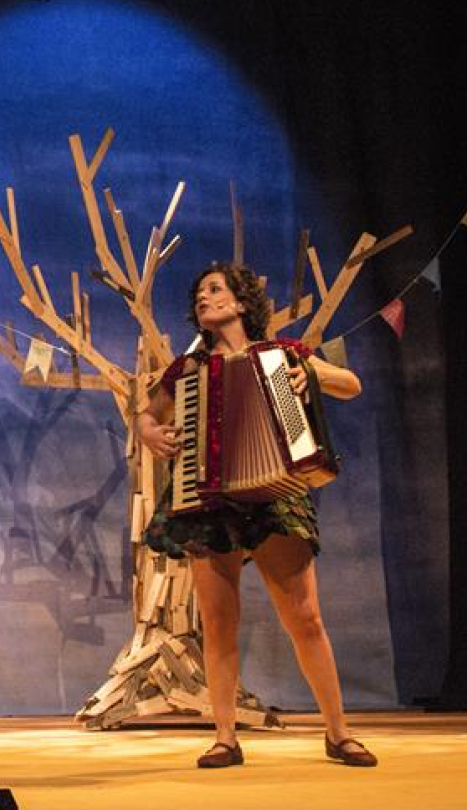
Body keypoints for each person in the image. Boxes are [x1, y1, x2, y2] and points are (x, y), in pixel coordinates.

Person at [136, 262, 377, 769]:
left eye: (214, 289)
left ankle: (338, 733)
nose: (204, 298)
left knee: (305, 617)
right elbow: (149, 413)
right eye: (199, 294)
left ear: (242, 302)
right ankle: (225, 737)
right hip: (210, 497)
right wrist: (150, 432)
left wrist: (314, 373)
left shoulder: (283, 354)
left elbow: (351, 384)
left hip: (275, 492)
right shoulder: (189, 370)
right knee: (218, 622)